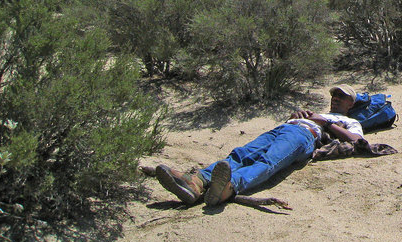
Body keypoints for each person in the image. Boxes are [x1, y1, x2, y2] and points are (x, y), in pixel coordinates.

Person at [155, 85, 365, 206]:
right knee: (240, 154)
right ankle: (199, 181)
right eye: (334, 95)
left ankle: (230, 186)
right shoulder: (321, 112)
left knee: (270, 160)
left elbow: (356, 141)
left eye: (342, 97)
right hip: (284, 129)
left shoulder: (349, 121)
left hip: (305, 136)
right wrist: (295, 117)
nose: (335, 99)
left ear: (351, 104)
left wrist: (324, 121)